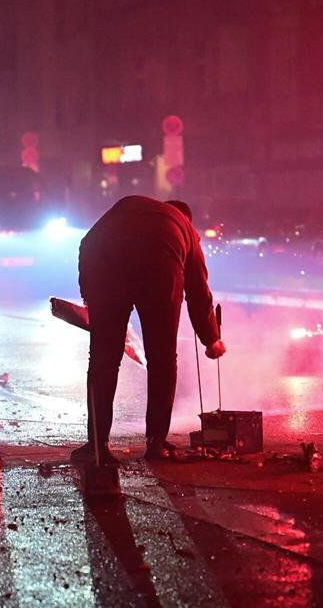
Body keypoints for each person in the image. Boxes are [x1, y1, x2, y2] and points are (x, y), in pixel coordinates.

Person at [71, 196, 226, 464]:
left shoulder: (129, 208)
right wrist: (211, 339)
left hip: (105, 262)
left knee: (103, 360)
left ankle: (96, 444)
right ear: (186, 218)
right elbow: (199, 291)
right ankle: (156, 443)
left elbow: (87, 244)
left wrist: (89, 295)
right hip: (159, 267)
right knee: (162, 359)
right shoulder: (184, 228)